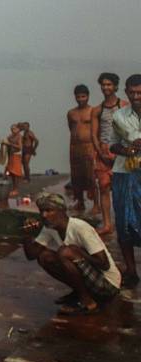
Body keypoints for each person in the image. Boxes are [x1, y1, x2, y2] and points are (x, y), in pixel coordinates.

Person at [22, 193, 120, 314]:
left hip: (108, 285)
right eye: (42, 211)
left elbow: (104, 264)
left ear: (61, 211)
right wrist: (27, 234)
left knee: (65, 252)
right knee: (44, 257)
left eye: (49, 210)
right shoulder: (49, 228)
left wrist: (79, 253)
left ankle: (88, 303)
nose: (44, 215)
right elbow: (32, 255)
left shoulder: (80, 228)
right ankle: (80, 293)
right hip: (91, 278)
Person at [108, 73, 141, 288]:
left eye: (140, 92)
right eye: (132, 92)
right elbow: (112, 145)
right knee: (124, 223)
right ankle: (131, 270)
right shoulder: (119, 116)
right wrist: (127, 149)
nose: (136, 96)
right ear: (126, 93)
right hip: (125, 174)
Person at [91, 72, 128, 236]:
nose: (106, 87)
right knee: (104, 187)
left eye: (109, 84)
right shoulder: (97, 110)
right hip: (103, 152)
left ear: (115, 86)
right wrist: (101, 152)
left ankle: (126, 223)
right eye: (103, 84)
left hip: (121, 151)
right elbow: (94, 134)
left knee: (124, 188)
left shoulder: (124, 106)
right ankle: (107, 224)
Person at [66, 85, 95, 212]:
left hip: (88, 145)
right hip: (74, 146)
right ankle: (80, 202)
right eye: (78, 97)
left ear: (88, 96)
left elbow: (96, 130)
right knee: (76, 176)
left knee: (91, 175)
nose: (80, 99)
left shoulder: (93, 111)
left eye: (83, 96)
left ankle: (96, 204)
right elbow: (70, 127)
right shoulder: (71, 113)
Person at [0, 124, 24, 197]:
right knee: (11, 173)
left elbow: (20, 147)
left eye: (14, 129)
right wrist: (3, 143)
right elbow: (7, 142)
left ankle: (16, 189)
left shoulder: (19, 136)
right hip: (11, 155)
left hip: (16, 155)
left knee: (16, 173)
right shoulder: (10, 136)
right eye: (11, 129)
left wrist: (9, 144)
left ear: (18, 129)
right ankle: (13, 189)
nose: (13, 130)